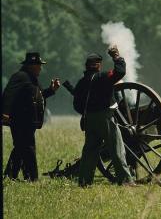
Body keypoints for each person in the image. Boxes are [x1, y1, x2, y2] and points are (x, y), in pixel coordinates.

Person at [73, 46, 135, 187]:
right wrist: (116, 57)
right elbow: (120, 71)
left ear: (87, 66)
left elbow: (76, 104)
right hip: (106, 117)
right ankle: (125, 180)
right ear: (99, 65)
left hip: (89, 119)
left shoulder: (81, 83)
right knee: (117, 147)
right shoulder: (104, 76)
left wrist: (87, 112)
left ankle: (84, 181)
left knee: (90, 150)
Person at [2, 52, 60, 181]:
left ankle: (9, 175)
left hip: (28, 120)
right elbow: (8, 94)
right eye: (38, 65)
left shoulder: (32, 79)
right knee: (28, 148)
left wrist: (51, 90)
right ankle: (32, 178)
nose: (40, 67)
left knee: (20, 148)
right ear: (31, 65)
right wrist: (5, 112)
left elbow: (39, 97)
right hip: (19, 119)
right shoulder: (20, 76)